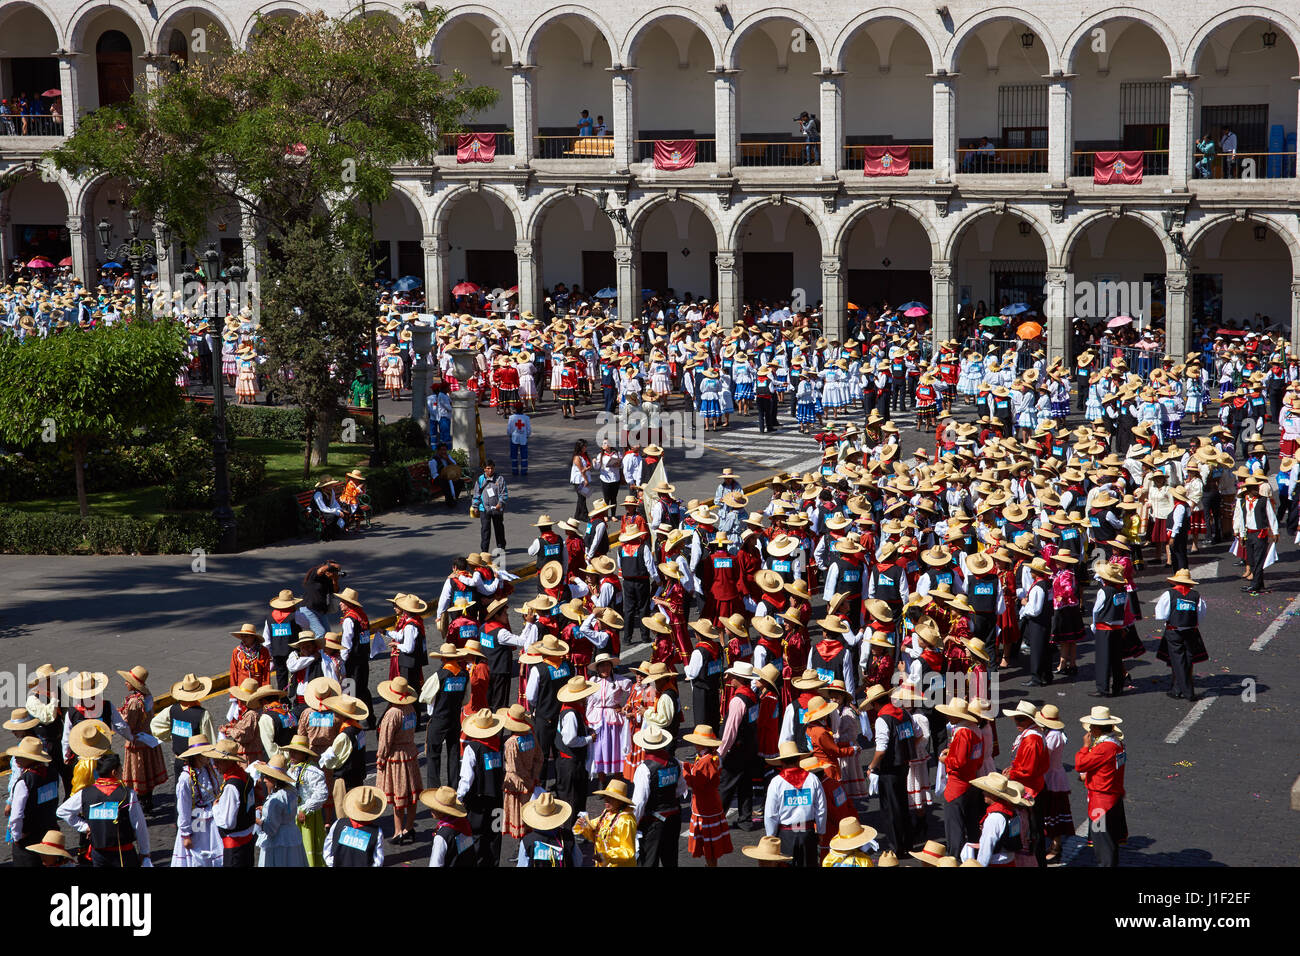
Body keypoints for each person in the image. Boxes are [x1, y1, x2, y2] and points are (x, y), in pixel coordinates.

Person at [57, 748, 152, 867]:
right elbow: (139, 825)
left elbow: (62, 811)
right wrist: (144, 851)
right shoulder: (128, 794)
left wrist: (85, 827)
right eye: (120, 769)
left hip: (99, 854)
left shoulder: (85, 793)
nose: (122, 772)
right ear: (114, 772)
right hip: (123, 854)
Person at [1075, 706, 1127, 867]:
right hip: (1113, 797)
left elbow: (1080, 764)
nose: (1089, 729)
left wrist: (1085, 746)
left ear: (1097, 728)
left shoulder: (1104, 748)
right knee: (1110, 842)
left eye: (1091, 726)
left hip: (1101, 804)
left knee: (1103, 845)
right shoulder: (1117, 744)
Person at [458, 708, 509, 867]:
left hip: (477, 802)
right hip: (497, 799)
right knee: (495, 837)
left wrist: (458, 798)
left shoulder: (472, 749)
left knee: (477, 838)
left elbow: (467, 779)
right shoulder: (500, 745)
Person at [763, 740, 826, 866]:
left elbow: (771, 814)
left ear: (781, 762)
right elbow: (821, 809)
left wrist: (771, 836)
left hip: (786, 835)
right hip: (807, 833)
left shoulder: (776, 783)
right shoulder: (813, 779)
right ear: (798, 760)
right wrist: (820, 831)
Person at [375, 677, 422, 845]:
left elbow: (385, 740)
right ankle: (409, 827)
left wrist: (381, 758)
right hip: (410, 753)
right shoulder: (410, 708)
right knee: (411, 794)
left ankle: (397, 831)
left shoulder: (392, 714)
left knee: (399, 796)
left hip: (396, 757)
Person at [631, 721, 685, 867]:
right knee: (670, 860)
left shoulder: (644, 769)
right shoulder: (676, 763)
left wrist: (632, 824)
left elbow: (639, 801)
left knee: (649, 861)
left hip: (652, 822)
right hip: (673, 818)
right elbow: (680, 790)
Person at [1152, 568, 1208, 701]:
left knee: (1178, 661)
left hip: (1174, 631)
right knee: (1188, 660)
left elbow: (1161, 615)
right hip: (1191, 631)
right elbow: (1201, 614)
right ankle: (1177, 689)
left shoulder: (1169, 594)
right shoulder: (1196, 595)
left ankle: (1187, 692)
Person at [682, 724, 733, 865]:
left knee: (708, 842)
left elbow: (697, 783)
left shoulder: (706, 761)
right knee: (709, 842)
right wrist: (688, 766)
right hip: (711, 803)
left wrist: (684, 772)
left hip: (705, 807)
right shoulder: (710, 757)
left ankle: (711, 864)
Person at [171, 734, 224, 867]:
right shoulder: (185, 778)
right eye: (204, 753)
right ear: (197, 755)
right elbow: (183, 807)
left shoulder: (209, 769)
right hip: (197, 820)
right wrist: (186, 834)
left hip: (213, 821)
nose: (208, 756)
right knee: (199, 856)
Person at [4, 736, 58, 868]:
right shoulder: (52, 773)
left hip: (29, 837)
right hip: (49, 832)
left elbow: (16, 815)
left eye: (20, 756)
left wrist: (16, 837)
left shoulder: (25, 781)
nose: (16, 758)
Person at [252, 754, 308, 867]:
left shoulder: (276, 799)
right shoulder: (291, 791)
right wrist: (267, 811)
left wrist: (256, 820)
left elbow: (271, 828)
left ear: (274, 779)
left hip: (278, 842)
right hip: (291, 836)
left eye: (267, 777)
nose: (264, 780)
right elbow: (285, 812)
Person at [573, 777, 638, 867]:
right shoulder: (607, 813)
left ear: (620, 802)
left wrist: (606, 856)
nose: (606, 800)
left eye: (611, 798)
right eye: (606, 797)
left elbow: (628, 851)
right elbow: (596, 832)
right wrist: (584, 825)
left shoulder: (626, 821)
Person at [323, 785, 387, 867]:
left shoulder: (338, 823)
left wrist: (333, 864)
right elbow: (378, 860)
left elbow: (327, 850)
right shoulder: (376, 832)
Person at [471, 459, 508, 553]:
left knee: (499, 529)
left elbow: (504, 493)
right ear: (484, 469)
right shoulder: (480, 479)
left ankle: (501, 548)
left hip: (497, 509)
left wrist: (500, 503)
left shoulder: (500, 479)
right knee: (485, 531)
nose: (490, 470)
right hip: (484, 509)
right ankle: (484, 551)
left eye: (492, 468)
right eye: (488, 468)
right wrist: (475, 506)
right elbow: (476, 493)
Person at [506, 409, 531, 477]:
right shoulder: (526, 418)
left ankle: (515, 471)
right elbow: (529, 429)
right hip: (523, 439)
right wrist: (527, 435)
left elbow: (509, 429)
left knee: (514, 456)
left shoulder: (511, 417)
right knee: (524, 456)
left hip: (514, 438)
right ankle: (524, 471)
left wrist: (509, 435)